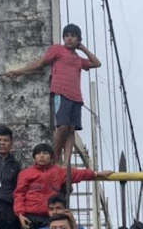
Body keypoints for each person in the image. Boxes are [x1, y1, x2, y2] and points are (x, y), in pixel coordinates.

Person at [6, 24, 101, 166]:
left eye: (73, 36)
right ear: (63, 37)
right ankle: (55, 160)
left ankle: (67, 164)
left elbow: (97, 63)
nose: (69, 38)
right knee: (62, 127)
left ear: (78, 39)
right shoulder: (57, 49)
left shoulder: (78, 59)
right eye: (67, 35)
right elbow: (41, 62)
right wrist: (20, 71)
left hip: (76, 97)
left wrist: (82, 48)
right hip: (60, 94)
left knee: (71, 129)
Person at [13, 143, 110, 229]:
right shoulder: (25, 174)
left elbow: (78, 174)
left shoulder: (59, 172)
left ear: (51, 157)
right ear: (34, 157)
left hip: (49, 217)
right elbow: (19, 194)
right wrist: (20, 214)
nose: (41, 156)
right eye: (38, 153)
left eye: (45, 153)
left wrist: (96, 174)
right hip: (29, 216)